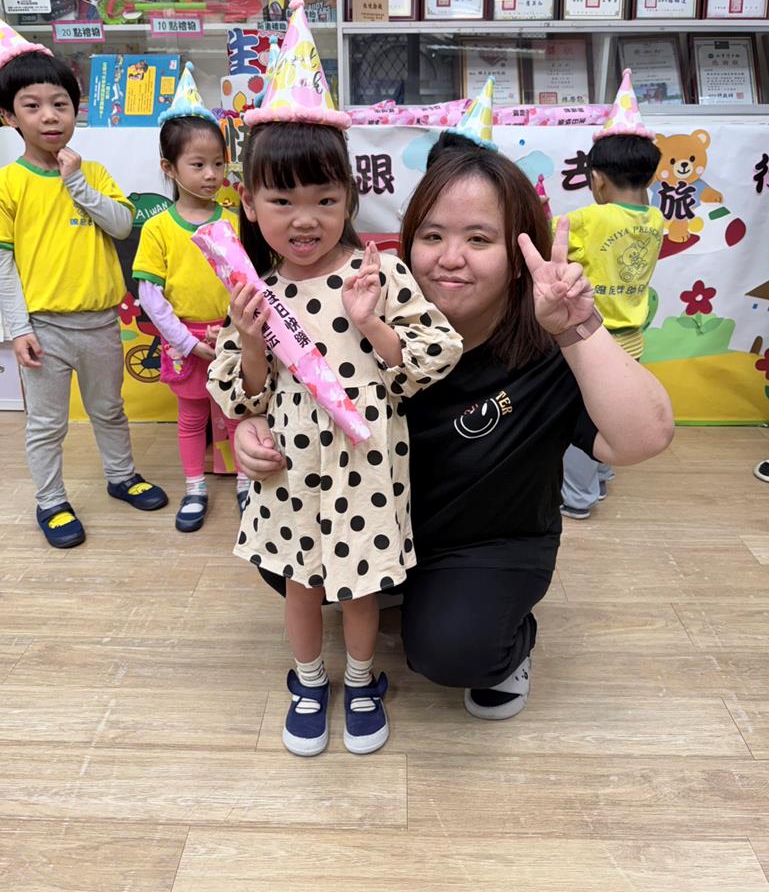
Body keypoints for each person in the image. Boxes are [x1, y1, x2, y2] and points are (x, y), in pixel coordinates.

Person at [234, 134, 674, 724]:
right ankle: (401, 595)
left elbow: (645, 438)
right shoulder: (364, 315)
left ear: (518, 252)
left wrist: (577, 327)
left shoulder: (544, 348)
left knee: (453, 649)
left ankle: (501, 637)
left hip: (487, 543)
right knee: (278, 558)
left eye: (479, 239)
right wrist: (253, 429)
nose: (450, 258)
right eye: (432, 236)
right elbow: (288, 392)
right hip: (380, 518)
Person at [206, 0, 462, 757]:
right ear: (249, 203)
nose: (304, 218)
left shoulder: (376, 273)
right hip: (290, 466)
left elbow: (436, 354)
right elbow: (244, 394)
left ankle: (360, 679)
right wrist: (249, 339)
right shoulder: (255, 291)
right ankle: (308, 679)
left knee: (361, 585)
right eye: (281, 200)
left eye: (324, 199)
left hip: (367, 465)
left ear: (349, 197)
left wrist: (373, 323)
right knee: (301, 582)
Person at [0, 23, 167, 550]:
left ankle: (121, 476)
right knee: (46, 424)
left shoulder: (92, 171)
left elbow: (121, 224)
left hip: (100, 323)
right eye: (32, 106)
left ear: (76, 111)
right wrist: (17, 328)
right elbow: (3, 264)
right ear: (9, 117)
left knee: (109, 409)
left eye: (61, 104)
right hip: (44, 328)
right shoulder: (9, 183)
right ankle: (50, 501)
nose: (50, 116)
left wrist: (76, 182)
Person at [132, 64, 249, 532]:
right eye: (198, 165)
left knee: (237, 413)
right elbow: (150, 295)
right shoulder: (159, 228)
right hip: (186, 343)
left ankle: (247, 484)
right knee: (192, 416)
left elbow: (247, 283)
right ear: (169, 168)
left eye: (218, 164)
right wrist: (187, 342)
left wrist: (234, 330)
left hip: (232, 338)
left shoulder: (234, 221)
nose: (212, 174)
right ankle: (195, 487)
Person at [557, 69, 664, 520]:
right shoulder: (655, 220)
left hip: (591, 339)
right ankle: (600, 480)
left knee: (580, 420)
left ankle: (578, 497)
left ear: (597, 179)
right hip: (632, 339)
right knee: (611, 412)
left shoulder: (590, 218)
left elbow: (547, 245)